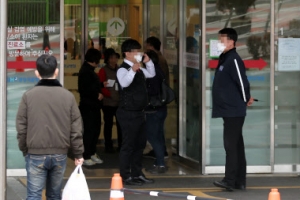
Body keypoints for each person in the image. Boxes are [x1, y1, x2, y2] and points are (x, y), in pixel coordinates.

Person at [16, 54, 84, 200]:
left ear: (36, 73)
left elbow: (21, 127)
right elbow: (76, 128)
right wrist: (78, 153)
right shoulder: (68, 96)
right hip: (59, 154)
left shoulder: (28, 96)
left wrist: (25, 148)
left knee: (33, 195)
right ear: (56, 71)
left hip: (35, 154)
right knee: (54, 195)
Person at [212, 28, 254, 191]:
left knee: (230, 146)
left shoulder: (233, 59)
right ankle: (239, 181)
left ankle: (229, 180)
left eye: (221, 40)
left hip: (233, 110)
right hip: (229, 109)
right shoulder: (225, 58)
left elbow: (242, 82)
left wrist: (245, 99)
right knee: (236, 145)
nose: (219, 43)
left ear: (231, 42)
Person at [116, 39, 155, 186]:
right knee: (128, 145)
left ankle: (137, 173)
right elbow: (124, 83)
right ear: (127, 53)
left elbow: (151, 74)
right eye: (135, 51)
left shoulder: (139, 69)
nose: (138, 54)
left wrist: (148, 61)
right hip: (128, 113)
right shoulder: (123, 69)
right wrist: (132, 70)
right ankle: (125, 176)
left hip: (139, 112)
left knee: (139, 145)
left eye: (139, 51)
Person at [143, 36, 169, 159]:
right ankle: (160, 154)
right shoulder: (160, 61)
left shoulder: (157, 63)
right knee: (157, 132)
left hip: (156, 103)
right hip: (159, 103)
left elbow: (155, 86)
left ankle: (160, 158)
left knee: (154, 133)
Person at [78, 48, 104, 166]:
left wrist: (101, 85)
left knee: (95, 130)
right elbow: (85, 89)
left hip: (93, 106)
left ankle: (92, 152)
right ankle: (86, 155)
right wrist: (97, 94)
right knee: (89, 131)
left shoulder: (89, 70)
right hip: (88, 106)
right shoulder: (86, 71)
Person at [98, 48, 122, 153]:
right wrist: (108, 94)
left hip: (119, 102)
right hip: (107, 102)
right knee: (108, 125)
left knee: (120, 125)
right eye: (112, 57)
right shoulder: (103, 70)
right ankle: (108, 145)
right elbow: (100, 85)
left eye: (115, 57)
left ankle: (121, 145)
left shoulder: (120, 70)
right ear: (107, 59)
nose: (114, 59)